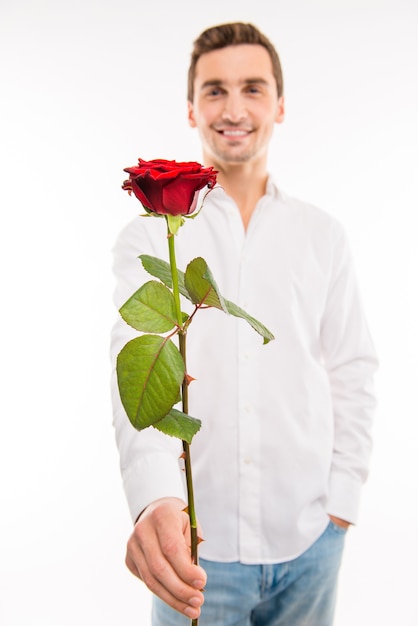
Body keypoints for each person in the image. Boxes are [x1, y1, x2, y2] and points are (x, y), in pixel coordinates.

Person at [111, 22, 378, 626]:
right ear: (190, 109)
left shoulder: (322, 235)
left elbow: (351, 367)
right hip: (198, 551)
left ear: (280, 105)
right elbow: (135, 366)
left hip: (312, 538)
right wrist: (155, 498)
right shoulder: (149, 235)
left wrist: (343, 502)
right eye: (214, 90)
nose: (234, 108)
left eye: (253, 88)